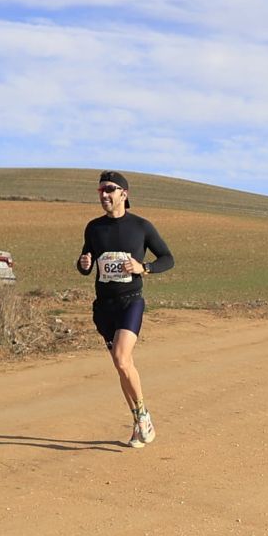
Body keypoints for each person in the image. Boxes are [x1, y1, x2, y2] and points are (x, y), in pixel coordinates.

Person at [77, 170, 175, 446]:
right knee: (123, 367)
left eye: (109, 189)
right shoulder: (94, 228)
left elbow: (168, 258)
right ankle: (139, 423)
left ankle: (143, 415)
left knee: (121, 358)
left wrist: (144, 267)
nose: (104, 195)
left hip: (130, 301)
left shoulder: (141, 227)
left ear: (124, 193)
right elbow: (86, 260)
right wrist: (83, 264)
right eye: (100, 191)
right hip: (103, 307)